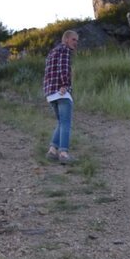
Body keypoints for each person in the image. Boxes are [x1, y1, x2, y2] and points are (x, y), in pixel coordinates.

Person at [42, 29, 79, 164]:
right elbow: (63, 69)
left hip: (51, 93)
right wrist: (65, 85)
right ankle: (63, 153)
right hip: (61, 92)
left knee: (61, 122)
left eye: (77, 40)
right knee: (66, 123)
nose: (76, 43)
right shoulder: (64, 50)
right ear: (66, 39)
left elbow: (47, 72)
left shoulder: (52, 52)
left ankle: (52, 151)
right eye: (73, 39)